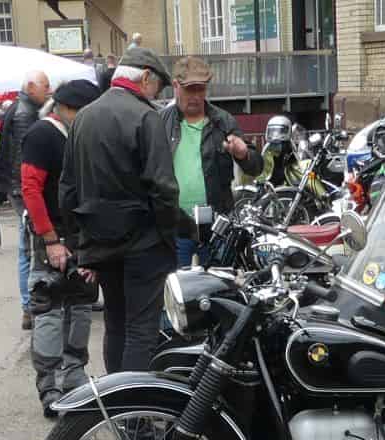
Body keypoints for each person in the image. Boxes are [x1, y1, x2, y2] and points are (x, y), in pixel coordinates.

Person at [62, 46, 177, 374]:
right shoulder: (146, 116)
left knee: (115, 323)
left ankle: (117, 398)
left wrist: (79, 243)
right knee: (141, 329)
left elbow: (67, 188)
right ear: (145, 77)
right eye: (157, 87)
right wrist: (169, 237)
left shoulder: (84, 117)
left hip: (100, 241)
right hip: (144, 242)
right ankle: (135, 404)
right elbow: (164, 188)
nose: (156, 95)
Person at [20, 79, 101, 415]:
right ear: (66, 109)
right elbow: (30, 188)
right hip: (52, 234)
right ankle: (50, 384)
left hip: (82, 234)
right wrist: (50, 239)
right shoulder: (42, 134)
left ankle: (73, 374)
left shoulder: (80, 134)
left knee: (80, 305)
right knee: (50, 307)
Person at [161, 57, 262, 268]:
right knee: (177, 285)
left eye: (201, 89)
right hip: (174, 226)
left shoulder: (223, 121)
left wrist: (243, 154)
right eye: (190, 89)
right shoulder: (160, 122)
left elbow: (256, 167)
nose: (196, 96)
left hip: (218, 225)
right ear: (176, 86)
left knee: (219, 284)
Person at [0, 71, 52, 329]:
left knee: (28, 248)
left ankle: (30, 305)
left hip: (18, 187)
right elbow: (26, 156)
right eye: (45, 86)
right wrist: (27, 192)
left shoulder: (23, 108)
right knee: (29, 249)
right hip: (22, 189)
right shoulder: (25, 113)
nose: (49, 90)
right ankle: (30, 306)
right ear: (31, 87)